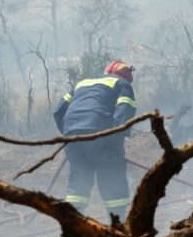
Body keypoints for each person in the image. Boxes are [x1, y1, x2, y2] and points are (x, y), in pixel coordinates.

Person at [53, 60, 137, 220]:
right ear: (126, 77)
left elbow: (58, 111)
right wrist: (116, 140)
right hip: (101, 137)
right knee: (112, 181)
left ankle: (72, 227)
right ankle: (117, 226)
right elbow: (124, 112)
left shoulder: (82, 84)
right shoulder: (122, 85)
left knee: (78, 186)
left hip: (73, 138)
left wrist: (70, 133)